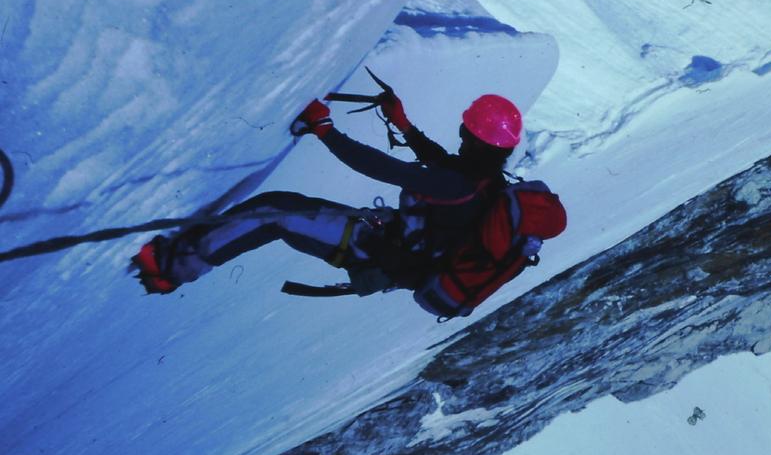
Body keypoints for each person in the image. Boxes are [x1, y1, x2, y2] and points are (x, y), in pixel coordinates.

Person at [132, 89, 523, 298]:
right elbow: (441, 165)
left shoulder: (462, 183)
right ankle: (186, 251)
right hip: (391, 245)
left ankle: (171, 270)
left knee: (276, 213)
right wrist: (403, 125)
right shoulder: (485, 179)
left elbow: (384, 168)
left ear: (471, 135)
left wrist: (325, 130)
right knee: (282, 209)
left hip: (378, 253)